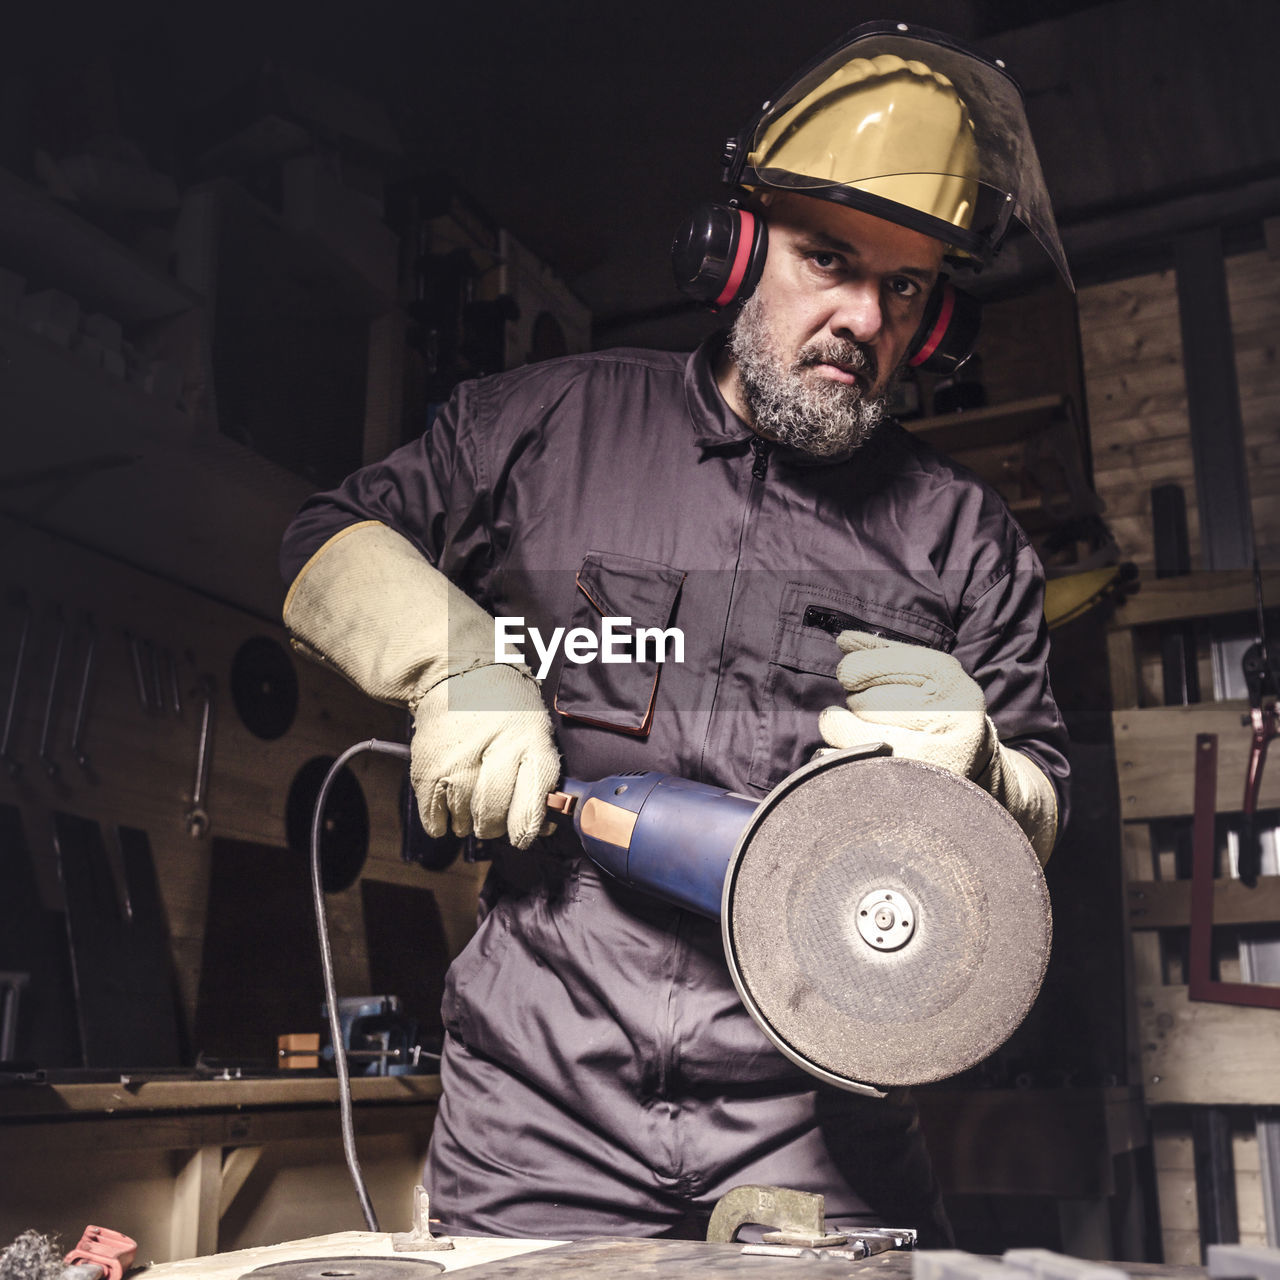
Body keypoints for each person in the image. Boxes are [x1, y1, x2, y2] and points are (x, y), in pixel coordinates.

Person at [280, 22, 1070, 1244]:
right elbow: (326, 538)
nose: (860, 315)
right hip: (537, 1109)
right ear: (740, 246)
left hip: (819, 1130)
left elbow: (1037, 813)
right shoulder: (545, 426)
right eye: (825, 256)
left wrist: (984, 777)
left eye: (902, 285)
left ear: (932, 320)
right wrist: (456, 660)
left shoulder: (961, 538)